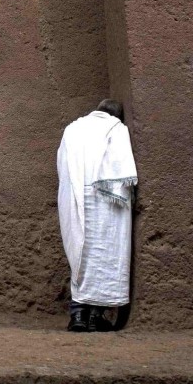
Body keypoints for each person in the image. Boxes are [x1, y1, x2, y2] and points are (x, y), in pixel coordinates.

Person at [57, 99, 138, 333]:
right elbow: (120, 167)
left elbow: (62, 165)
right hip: (106, 200)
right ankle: (95, 316)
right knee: (105, 255)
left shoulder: (71, 129)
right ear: (116, 115)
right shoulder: (116, 128)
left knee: (80, 252)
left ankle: (79, 316)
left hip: (74, 197)